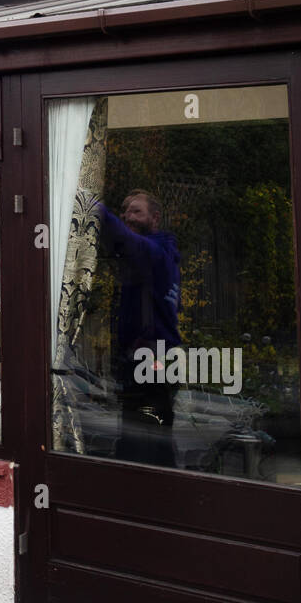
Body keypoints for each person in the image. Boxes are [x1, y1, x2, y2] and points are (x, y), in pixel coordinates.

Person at [96, 189, 181, 468]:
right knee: (150, 438)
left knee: (141, 444)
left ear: (154, 218)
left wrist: (89, 203)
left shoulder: (157, 254)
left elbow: (124, 238)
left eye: (136, 211)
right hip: (146, 361)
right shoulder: (146, 258)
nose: (127, 216)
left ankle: (145, 497)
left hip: (153, 363)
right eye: (124, 210)